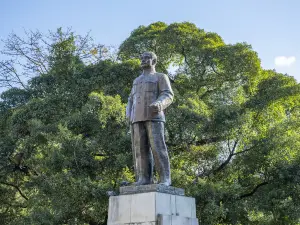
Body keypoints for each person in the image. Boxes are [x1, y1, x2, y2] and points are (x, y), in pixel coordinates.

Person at [126, 52, 174, 186]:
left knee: (157, 147)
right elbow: (130, 99)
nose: (142, 60)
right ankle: (144, 178)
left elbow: (168, 94)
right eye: (141, 58)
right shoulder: (136, 80)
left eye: (146, 58)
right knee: (140, 149)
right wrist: (128, 113)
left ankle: (165, 179)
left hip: (154, 116)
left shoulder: (160, 77)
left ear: (154, 61)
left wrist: (160, 104)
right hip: (137, 117)